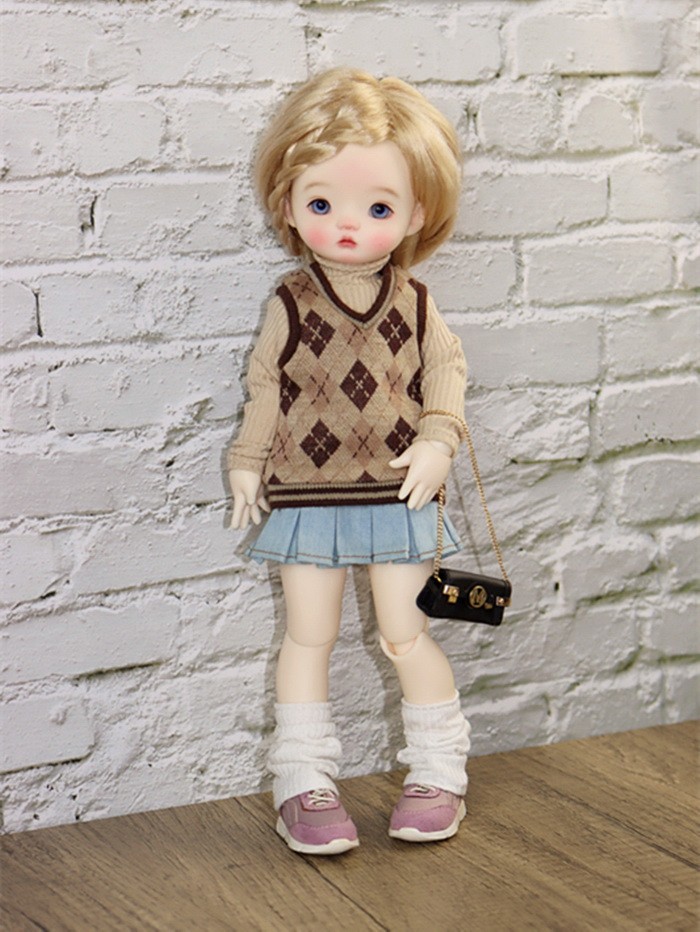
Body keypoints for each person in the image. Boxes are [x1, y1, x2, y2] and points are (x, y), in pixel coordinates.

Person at [228, 67, 471, 856]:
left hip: (398, 496)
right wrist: (246, 461)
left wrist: (438, 439)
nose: (345, 225)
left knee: (407, 634)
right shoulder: (291, 303)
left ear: (416, 213)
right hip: (307, 498)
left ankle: (440, 770)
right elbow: (266, 383)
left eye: (378, 208)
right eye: (321, 203)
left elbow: (447, 370)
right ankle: (302, 781)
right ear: (288, 203)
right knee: (309, 637)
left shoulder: (417, 302)